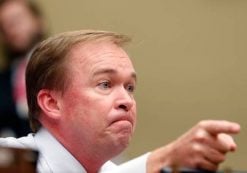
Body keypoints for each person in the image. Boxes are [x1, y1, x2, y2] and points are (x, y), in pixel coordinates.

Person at [0, 30, 241, 173]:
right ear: (52, 103)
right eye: (105, 84)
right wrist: (164, 158)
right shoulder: (8, 161)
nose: (127, 100)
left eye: (130, 87)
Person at [0, 0, 47, 137]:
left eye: (17, 20)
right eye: (5, 25)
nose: (12, 28)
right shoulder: (3, 79)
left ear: (39, 22)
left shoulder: (61, 67)